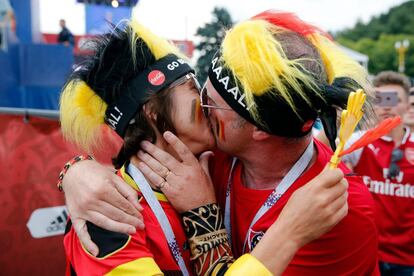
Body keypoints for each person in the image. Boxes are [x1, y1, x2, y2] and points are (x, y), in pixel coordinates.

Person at [62, 11, 378, 275]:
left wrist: (208, 215)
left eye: (209, 106)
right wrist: (77, 172)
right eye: (199, 96)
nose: (205, 105)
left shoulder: (333, 212)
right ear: (151, 117)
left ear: (261, 131)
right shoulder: (108, 214)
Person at [343, 71, 414, 275]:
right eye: (381, 99)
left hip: (407, 260)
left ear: (407, 106)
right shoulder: (359, 141)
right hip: (364, 253)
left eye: (394, 99)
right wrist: (340, 118)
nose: (387, 105)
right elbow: (321, 152)